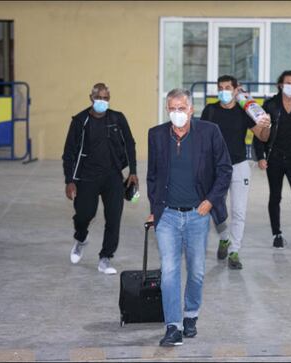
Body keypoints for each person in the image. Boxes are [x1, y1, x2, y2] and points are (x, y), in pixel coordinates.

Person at [147, 88, 232, 346]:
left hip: (198, 214)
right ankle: (173, 326)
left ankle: (191, 314)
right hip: (168, 216)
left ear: (191, 109)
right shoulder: (157, 135)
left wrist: (210, 201)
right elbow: (153, 175)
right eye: (172, 108)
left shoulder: (209, 132)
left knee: (196, 271)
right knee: (170, 271)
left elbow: (224, 169)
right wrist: (154, 206)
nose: (176, 114)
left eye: (181, 108)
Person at [62, 83, 138, 274]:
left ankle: (105, 257)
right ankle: (80, 238)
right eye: (99, 98)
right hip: (86, 177)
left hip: (112, 176)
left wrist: (133, 171)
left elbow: (129, 143)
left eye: (106, 98)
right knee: (84, 215)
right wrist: (69, 180)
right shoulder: (80, 120)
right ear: (91, 98)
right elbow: (69, 152)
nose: (102, 101)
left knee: (114, 217)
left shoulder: (117, 118)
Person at [201, 75, 271, 270]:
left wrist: (267, 125)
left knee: (239, 211)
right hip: (216, 167)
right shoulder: (211, 110)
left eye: (227, 87)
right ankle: (224, 238)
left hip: (240, 166)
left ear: (235, 90)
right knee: (217, 208)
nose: (224, 91)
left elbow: (262, 136)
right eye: (220, 88)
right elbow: (201, 136)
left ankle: (234, 251)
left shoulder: (243, 112)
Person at [252, 70, 291, 254]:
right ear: (280, 85)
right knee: (275, 196)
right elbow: (259, 134)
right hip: (275, 158)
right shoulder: (271, 105)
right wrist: (261, 157)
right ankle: (276, 235)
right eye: (288, 82)